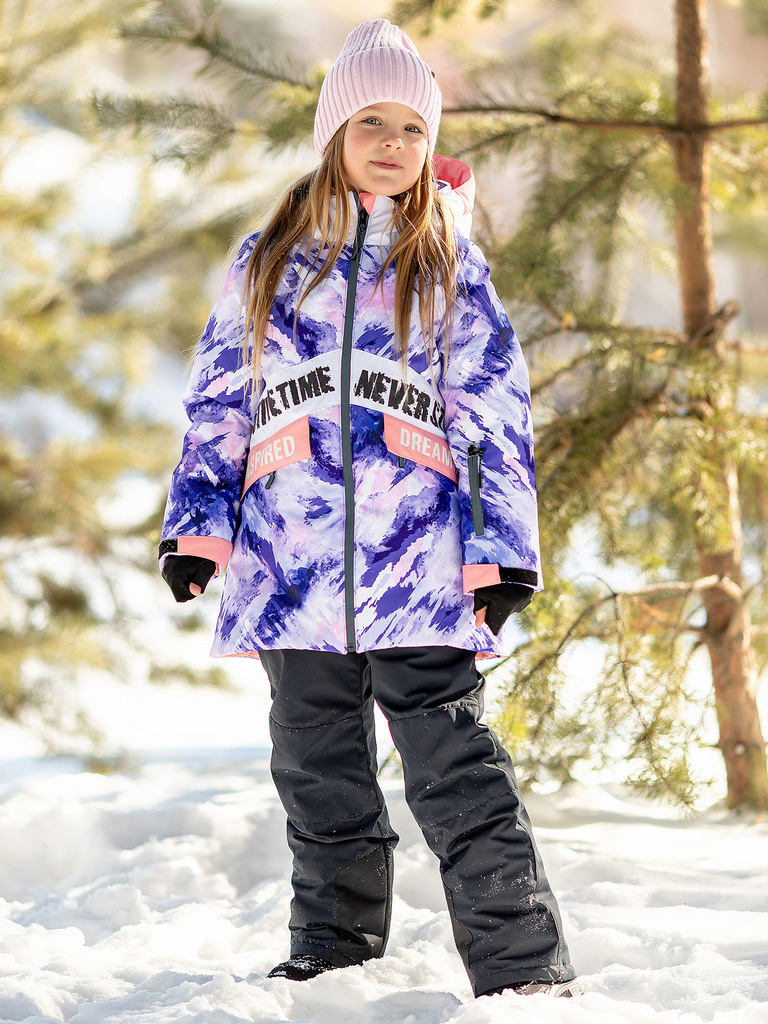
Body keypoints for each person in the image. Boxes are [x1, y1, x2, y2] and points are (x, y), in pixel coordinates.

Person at [159, 18, 581, 1000]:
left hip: (418, 567)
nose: (393, 142)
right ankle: (332, 958)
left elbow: (494, 411)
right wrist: (199, 525)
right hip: (290, 565)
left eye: (412, 127)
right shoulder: (270, 258)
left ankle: (523, 972)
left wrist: (501, 548)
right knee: (317, 773)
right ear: (334, 133)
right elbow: (222, 399)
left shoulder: (447, 264)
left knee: (456, 770)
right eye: (372, 122)